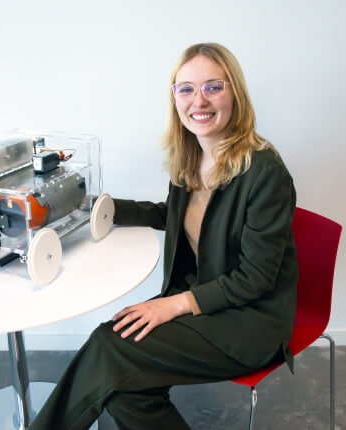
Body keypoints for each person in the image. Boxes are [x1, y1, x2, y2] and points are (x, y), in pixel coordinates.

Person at [30, 42, 298, 430]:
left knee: (109, 345)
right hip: (203, 297)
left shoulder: (265, 172)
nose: (198, 100)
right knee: (123, 386)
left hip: (249, 322)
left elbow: (255, 279)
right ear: (174, 98)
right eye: (185, 88)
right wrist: (97, 207)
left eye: (213, 87)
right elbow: (172, 216)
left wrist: (172, 305)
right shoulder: (191, 158)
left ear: (235, 94)